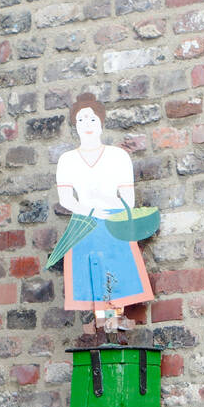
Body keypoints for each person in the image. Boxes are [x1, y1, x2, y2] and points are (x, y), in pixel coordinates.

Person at [54, 93, 155, 329]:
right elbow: (66, 198)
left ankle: (117, 318)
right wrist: (90, 210)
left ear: (101, 122)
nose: (87, 125)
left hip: (113, 222)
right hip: (85, 224)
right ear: (74, 125)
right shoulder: (67, 160)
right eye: (81, 120)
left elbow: (127, 198)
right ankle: (101, 321)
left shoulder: (117, 156)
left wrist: (113, 212)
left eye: (92, 120)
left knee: (116, 267)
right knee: (92, 272)